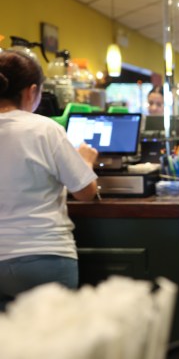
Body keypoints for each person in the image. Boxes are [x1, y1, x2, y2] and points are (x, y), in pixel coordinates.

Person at [0, 50, 99, 311]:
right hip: (44, 255)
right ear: (32, 91)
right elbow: (86, 192)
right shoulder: (44, 128)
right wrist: (86, 160)